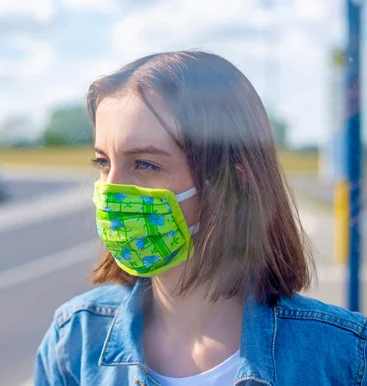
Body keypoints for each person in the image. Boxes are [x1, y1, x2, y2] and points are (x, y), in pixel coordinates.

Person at [33, 51, 367, 386]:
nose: (110, 190)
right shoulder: (73, 342)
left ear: (232, 182)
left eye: (145, 164)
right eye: (103, 163)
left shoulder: (343, 358)